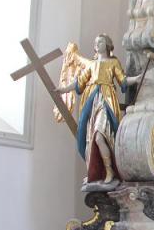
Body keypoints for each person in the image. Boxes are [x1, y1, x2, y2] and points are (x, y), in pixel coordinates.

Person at [57, 34, 145, 190]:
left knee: (99, 136)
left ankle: (110, 171)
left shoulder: (113, 63)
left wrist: (137, 79)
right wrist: (64, 89)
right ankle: (96, 173)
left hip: (106, 101)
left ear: (108, 44)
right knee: (90, 140)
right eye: (96, 42)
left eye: (101, 41)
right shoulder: (91, 64)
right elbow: (79, 83)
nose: (97, 44)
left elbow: (123, 80)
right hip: (91, 102)